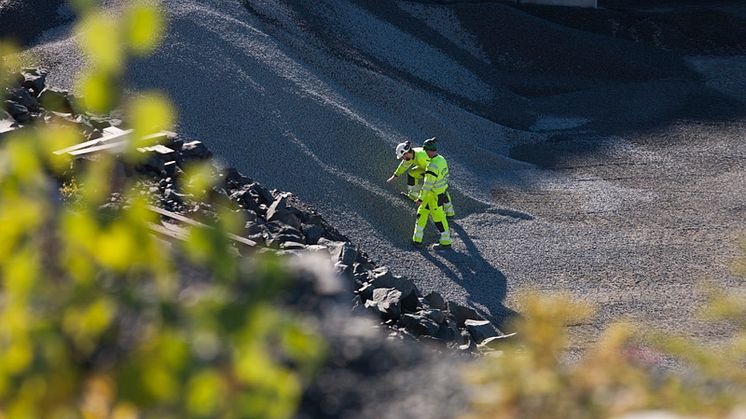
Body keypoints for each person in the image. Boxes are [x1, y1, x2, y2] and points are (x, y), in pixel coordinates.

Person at [387, 139, 455, 217]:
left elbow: (433, 167)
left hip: (436, 171)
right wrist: (395, 176)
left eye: (402, 157)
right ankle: (413, 196)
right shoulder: (411, 156)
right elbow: (404, 165)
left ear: (406, 154)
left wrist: (422, 197)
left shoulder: (421, 157)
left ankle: (450, 213)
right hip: (426, 169)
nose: (402, 159)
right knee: (412, 174)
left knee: (440, 191)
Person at [413, 137, 452, 250]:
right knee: (421, 214)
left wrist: (420, 198)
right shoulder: (441, 159)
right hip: (439, 194)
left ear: (429, 150)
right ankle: (417, 240)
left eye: (425, 151)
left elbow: (427, 185)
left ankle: (446, 242)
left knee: (438, 219)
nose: (425, 153)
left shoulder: (432, 166)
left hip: (433, 196)